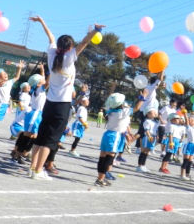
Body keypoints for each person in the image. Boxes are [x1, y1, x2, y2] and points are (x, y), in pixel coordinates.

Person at [29, 15, 103, 181]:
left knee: (41, 137)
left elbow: (50, 36)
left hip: (49, 103)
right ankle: (39, 171)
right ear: (69, 47)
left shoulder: (51, 53)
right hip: (62, 105)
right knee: (51, 140)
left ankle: (32, 167)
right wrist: (95, 31)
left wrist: (42, 21)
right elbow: (84, 43)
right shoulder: (69, 58)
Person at [95, 93, 131, 186]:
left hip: (107, 134)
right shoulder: (121, 113)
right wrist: (142, 98)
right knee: (109, 158)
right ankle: (101, 179)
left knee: (102, 157)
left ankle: (100, 178)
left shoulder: (110, 111)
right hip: (115, 135)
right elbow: (135, 108)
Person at [136, 103, 158, 173]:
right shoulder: (147, 121)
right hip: (148, 137)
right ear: (147, 114)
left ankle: (143, 165)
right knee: (143, 151)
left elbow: (156, 130)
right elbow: (147, 130)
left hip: (153, 137)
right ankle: (139, 166)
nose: (155, 113)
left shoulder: (155, 122)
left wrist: (156, 136)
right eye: (153, 112)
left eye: (155, 112)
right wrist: (149, 137)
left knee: (147, 152)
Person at [180, 112, 194, 180]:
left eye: (193, 120)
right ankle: (182, 175)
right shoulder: (188, 127)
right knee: (185, 160)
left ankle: (187, 174)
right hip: (189, 145)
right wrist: (185, 115)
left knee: (190, 161)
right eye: (190, 120)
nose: (192, 121)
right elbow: (186, 119)